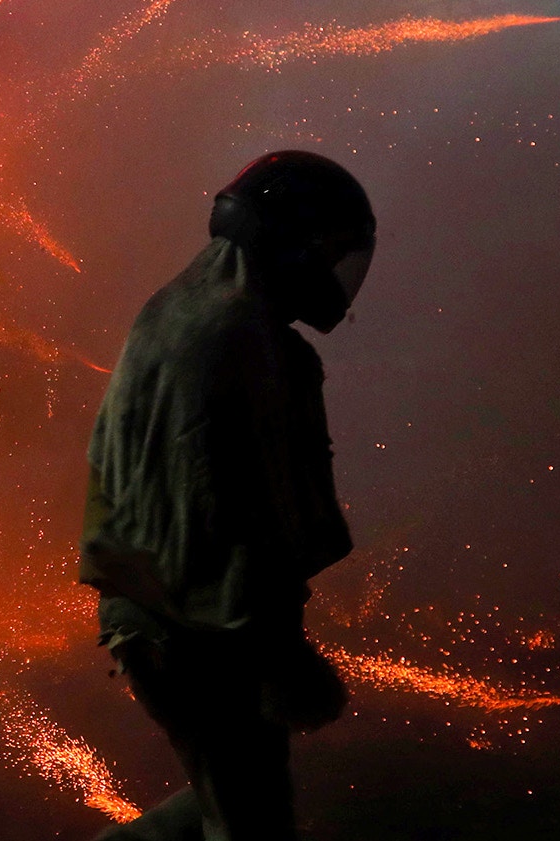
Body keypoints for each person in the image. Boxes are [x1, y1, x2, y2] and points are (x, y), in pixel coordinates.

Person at [80, 150, 376, 841]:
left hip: (169, 610)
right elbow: (219, 509)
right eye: (328, 250)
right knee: (251, 816)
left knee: (238, 795)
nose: (336, 273)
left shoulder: (192, 310)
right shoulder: (233, 338)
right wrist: (272, 645)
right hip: (191, 624)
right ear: (290, 242)